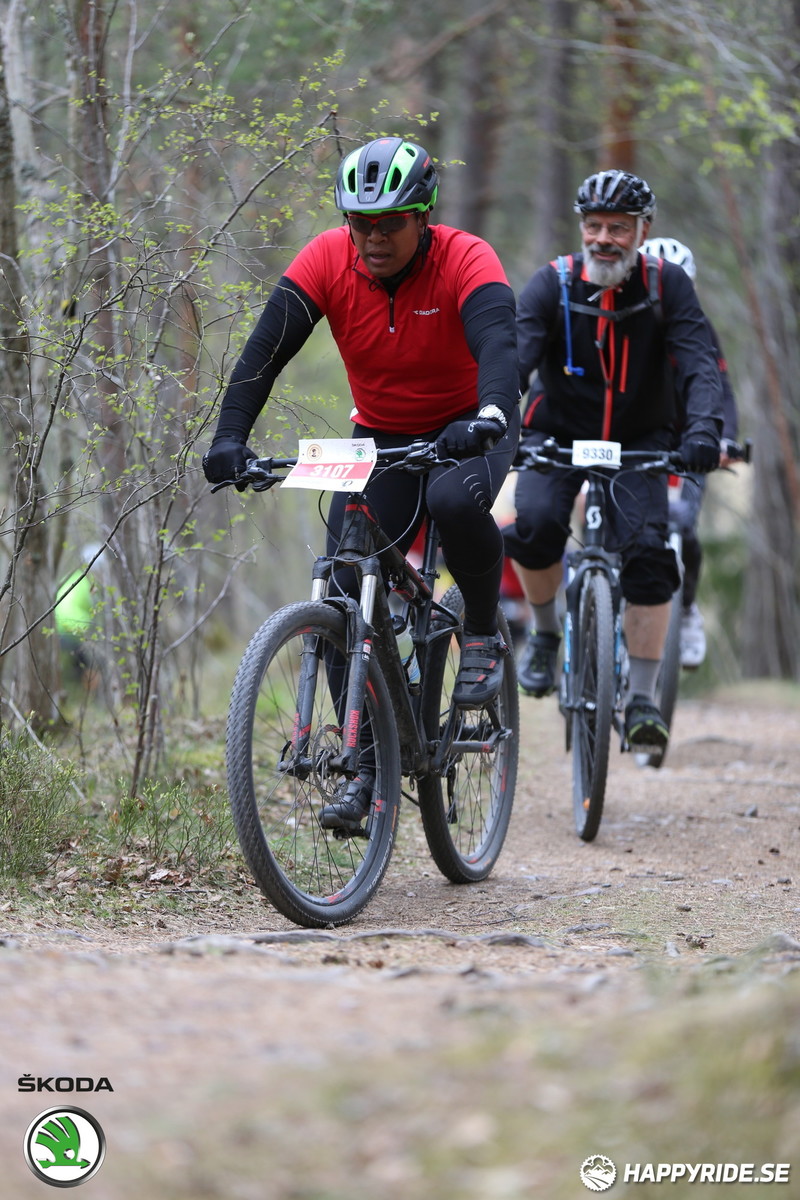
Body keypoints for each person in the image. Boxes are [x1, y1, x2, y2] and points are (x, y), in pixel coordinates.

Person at [203, 136, 521, 829]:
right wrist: (230, 436)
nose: (372, 239)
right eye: (360, 224)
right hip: (381, 435)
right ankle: (367, 779)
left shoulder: (467, 258)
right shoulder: (326, 259)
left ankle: (481, 629)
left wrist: (493, 413)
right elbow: (264, 352)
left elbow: (500, 344)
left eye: (390, 225)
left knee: (449, 498)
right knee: (349, 580)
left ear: (422, 217)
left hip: (474, 426)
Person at [502, 170, 723, 751]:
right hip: (556, 435)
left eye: (618, 228)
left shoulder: (666, 285)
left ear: (642, 230)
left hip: (640, 442)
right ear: (581, 228)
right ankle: (547, 634)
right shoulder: (551, 284)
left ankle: (644, 697)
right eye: (594, 226)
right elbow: (514, 362)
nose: (603, 238)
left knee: (650, 554)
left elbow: (700, 364)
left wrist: (703, 430)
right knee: (535, 526)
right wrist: (496, 420)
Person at [641, 236, 740, 669]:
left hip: (688, 443)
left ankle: (686, 609)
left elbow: (721, 391)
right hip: (634, 438)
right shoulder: (619, 320)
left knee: (684, 528)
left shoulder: (699, 328)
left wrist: (722, 439)